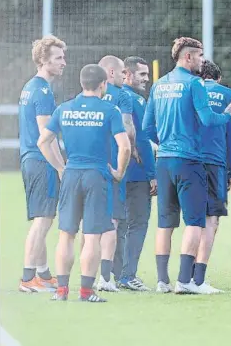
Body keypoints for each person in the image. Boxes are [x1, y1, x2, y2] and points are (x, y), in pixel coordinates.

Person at [143, 37, 231, 294]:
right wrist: (229, 114)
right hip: (189, 160)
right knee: (196, 222)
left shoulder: (159, 84)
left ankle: (162, 281)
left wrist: (166, 142)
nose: (202, 61)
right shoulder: (194, 83)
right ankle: (186, 281)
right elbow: (209, 120)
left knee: (165, 222)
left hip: (163, 161)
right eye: (199, 56)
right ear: (188, 57)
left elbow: (146, 128)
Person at [38, 64, 131, 302]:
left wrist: (60, 167)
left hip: (71, 174)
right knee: (92, 236)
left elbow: (43, 142)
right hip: (97, 175)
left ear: (81, 83)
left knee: (66, 234)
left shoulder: (64, 108)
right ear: (103, 84)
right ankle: (87, 292)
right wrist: (119, 171)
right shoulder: (110, 110)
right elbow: (125, 146)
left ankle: (61, 291)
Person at [18, 35, 66, 293]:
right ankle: (27, 279)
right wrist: (61, 167)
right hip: (40, 162)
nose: (64, 62)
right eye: (58, 58)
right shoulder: (43, 91)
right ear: (43, 60)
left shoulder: (30, 87)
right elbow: (45, 139)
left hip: (30, 161)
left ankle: (43, 274)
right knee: (44, 220)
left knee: (42, 217)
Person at [193, 60, 231, 294]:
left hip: (186, 159)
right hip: (215, 162)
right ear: (217, 78)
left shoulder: (189, 90)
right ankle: (198, 277)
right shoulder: (229, 95)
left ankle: (180, 275)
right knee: (211, 220)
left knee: (192, 220)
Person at [94, 55, 136, 292]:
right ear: (110, 73)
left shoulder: (88, 95)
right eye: (122, 73)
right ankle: (106, 278)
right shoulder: (123, 97)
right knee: (112, 222)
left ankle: (87, 274)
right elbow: (128, 132)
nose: (125, 77)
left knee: (89, 223)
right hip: (113, 167)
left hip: (88, 167)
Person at [118, 56, 156, 291]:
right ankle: (127, 275)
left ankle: (110, 275)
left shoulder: (110, 96)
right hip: (137, 174)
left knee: (118, 224)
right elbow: (141, 139)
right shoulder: (135, 101)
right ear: (127, 75)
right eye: (142, 74)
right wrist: (152, 173)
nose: (146, 79)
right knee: (138, 224)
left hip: (116, 172)